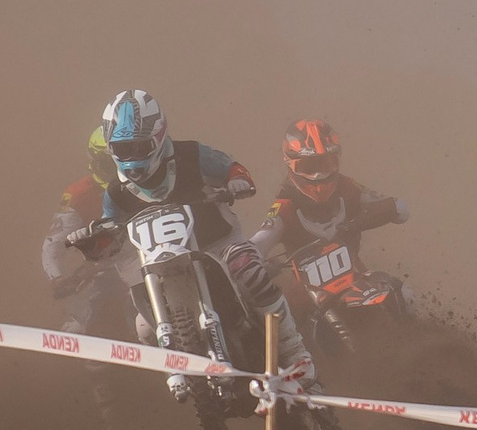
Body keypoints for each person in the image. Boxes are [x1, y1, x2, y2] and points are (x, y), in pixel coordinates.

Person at [90, 89, 319, 384]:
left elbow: (232, 168)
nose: (132, 158)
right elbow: (109, 227)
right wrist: (98, 239)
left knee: (248, 269)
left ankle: (296, 352)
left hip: (217, 244)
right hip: (160, 264)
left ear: (158, 137)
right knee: (144, 327)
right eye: (123, 149)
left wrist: (236, 181)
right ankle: (187, 371)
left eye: (139, 146)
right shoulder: (115, 192)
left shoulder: (190, 154)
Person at [41, 126, 144, 430]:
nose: (116, 171)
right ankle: (113, 427)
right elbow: (52, 244)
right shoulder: (79, 194)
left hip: (158, 261)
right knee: (84, 332)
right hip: (107, 272)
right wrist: (58, 278)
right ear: (94, 162)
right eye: (107, 163)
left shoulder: (152, 180)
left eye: (121, 161)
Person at [251, 118, 411, 303]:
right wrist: (252, 264)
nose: (319, 175)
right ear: (290, 164)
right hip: (308, 298)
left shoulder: (348, 188)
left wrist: (364, 220)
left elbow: (401, 210)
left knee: (403, 295)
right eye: (309, 166)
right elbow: (256, 245)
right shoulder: (284, 208)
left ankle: (413, 331)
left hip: (356, 284)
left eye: (326, 164)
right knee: (275, 316)